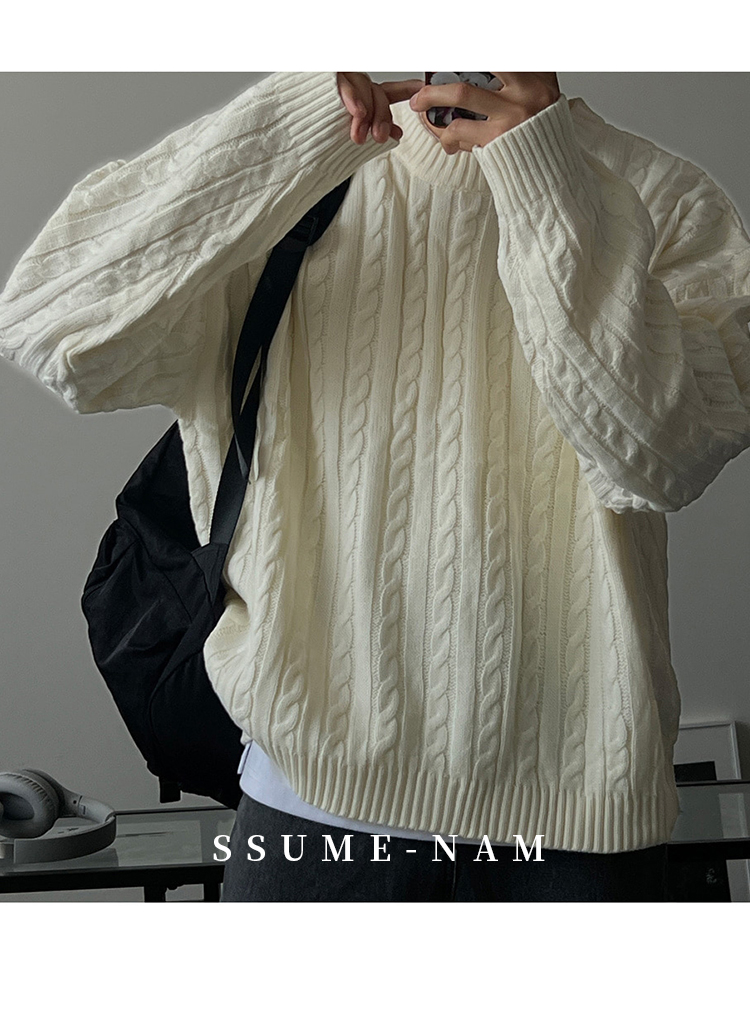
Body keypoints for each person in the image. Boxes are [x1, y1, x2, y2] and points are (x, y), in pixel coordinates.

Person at [1, 72, 749, 902]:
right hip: (307, 815)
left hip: (580, 832)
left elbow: (660, 458)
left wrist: (545, 174)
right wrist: (315, 113)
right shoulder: (298, 172)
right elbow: (49, 326)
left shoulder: (669, 200)